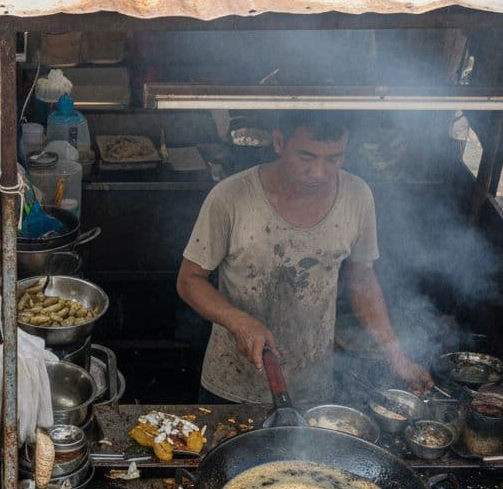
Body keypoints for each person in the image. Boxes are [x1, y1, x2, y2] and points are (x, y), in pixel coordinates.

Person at [175, 111, 431, 406]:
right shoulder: (230, 197)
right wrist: (239, 322)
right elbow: (189, 280)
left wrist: (397, 358)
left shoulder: (357, 196)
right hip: (232, 386)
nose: (319, 172)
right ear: (279, 142)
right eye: (307, 157)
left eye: (334, 159)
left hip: (312, 390)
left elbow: (362, 279)